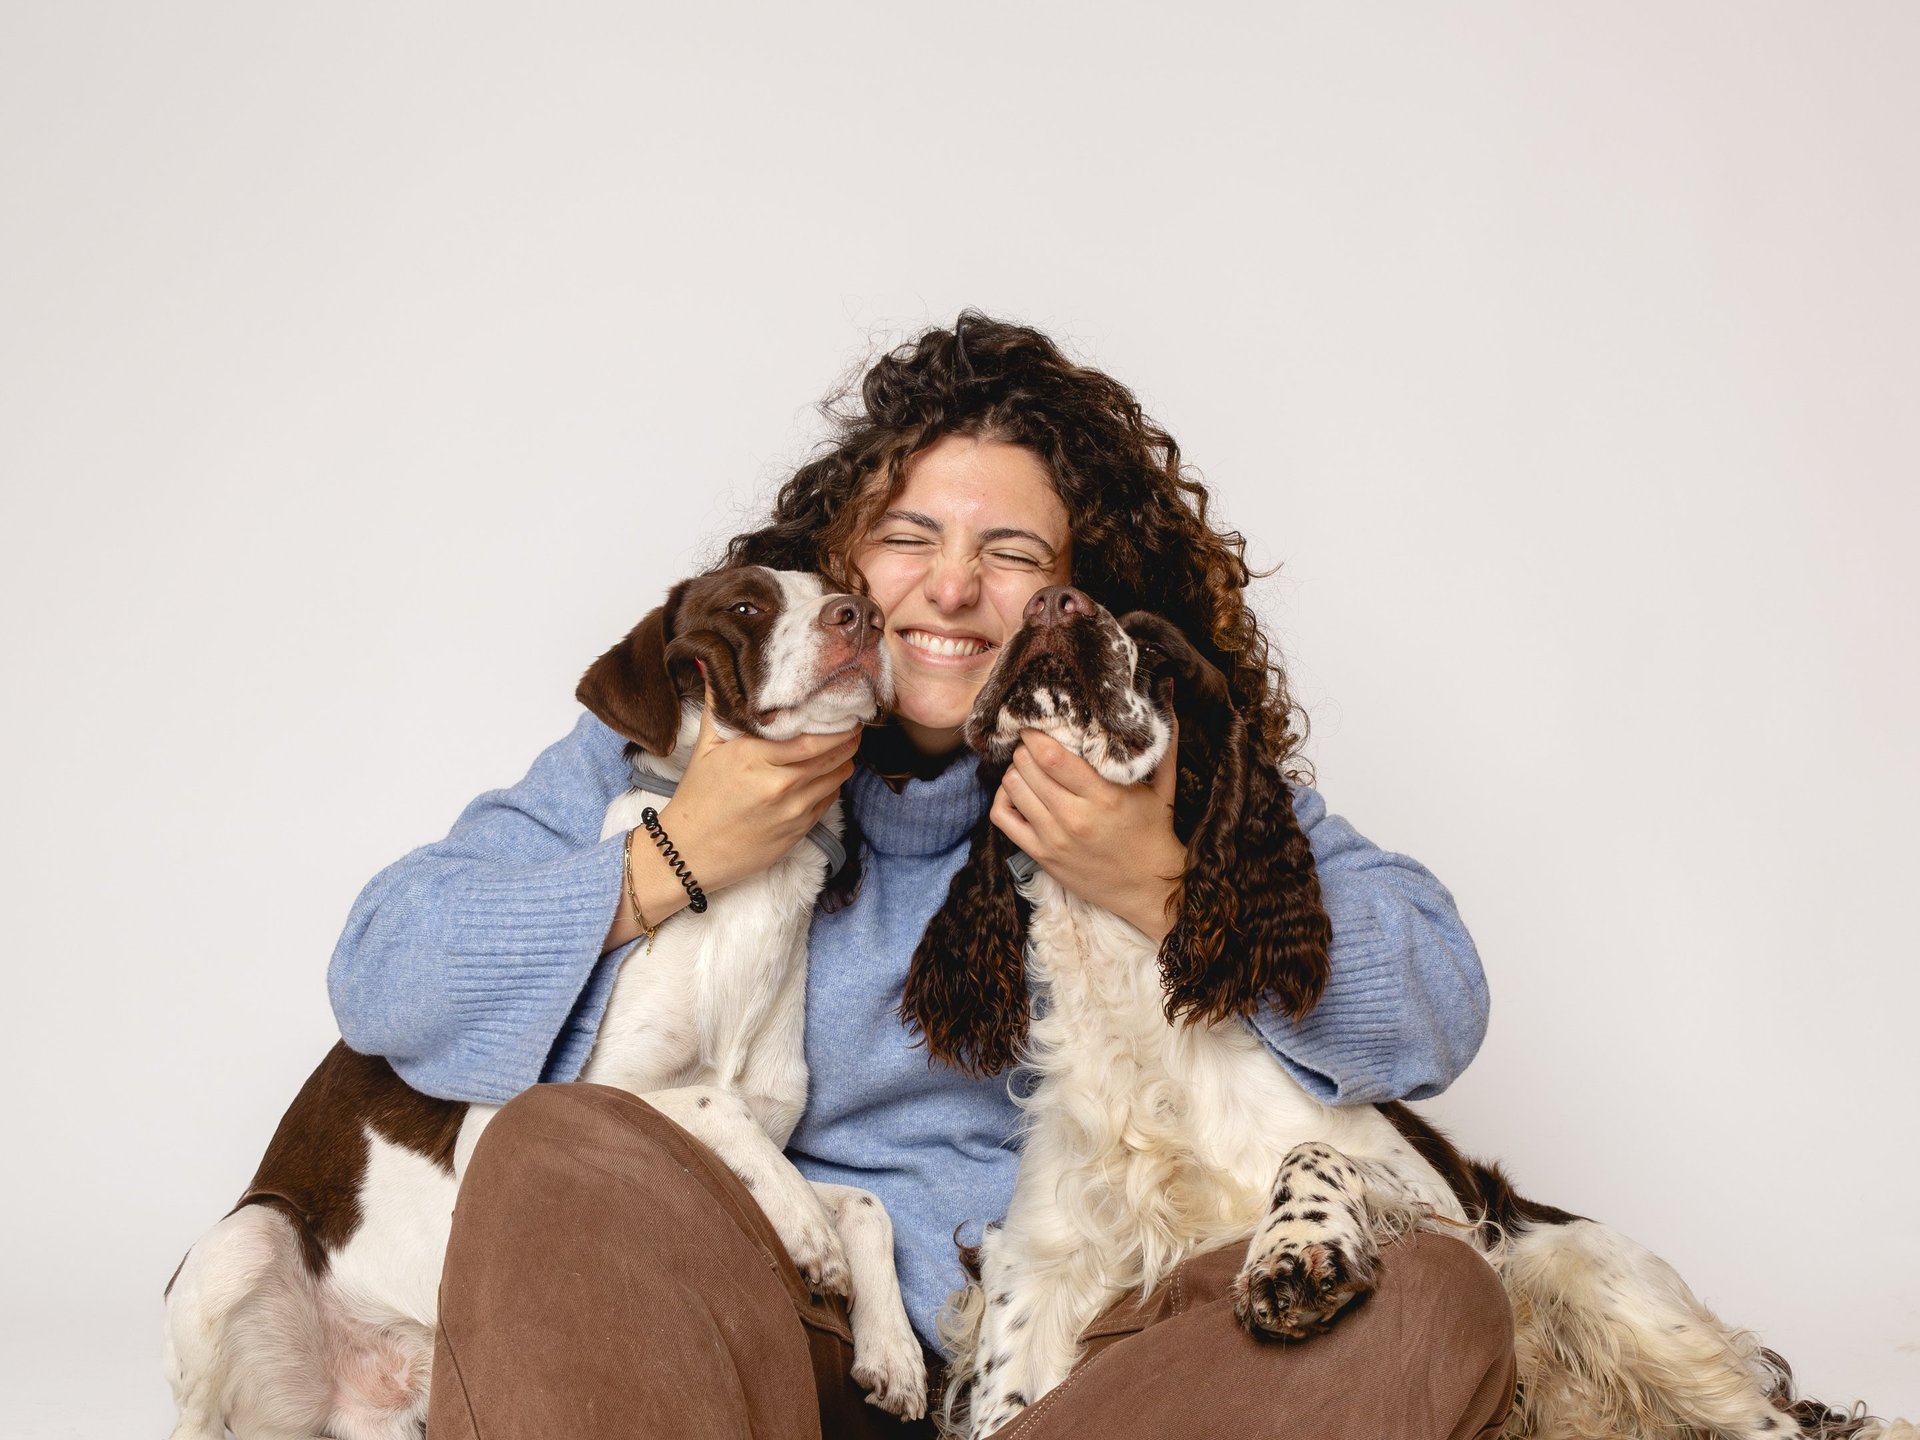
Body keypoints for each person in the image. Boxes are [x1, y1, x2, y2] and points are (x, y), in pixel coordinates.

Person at [328, 313, 1516, 1439]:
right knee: (559, 1149)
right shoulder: (688, 734)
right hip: (765, 1336)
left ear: (1079, 597)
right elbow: (384, 971)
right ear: (840, 560)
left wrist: (1158, 884)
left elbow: (1439, 1004)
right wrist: (681, 854)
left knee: (1426, 1302)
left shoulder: (1167, 777)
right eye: (908, 539)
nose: (950, 589)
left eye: (1012, 553)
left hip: (1087, 1364)